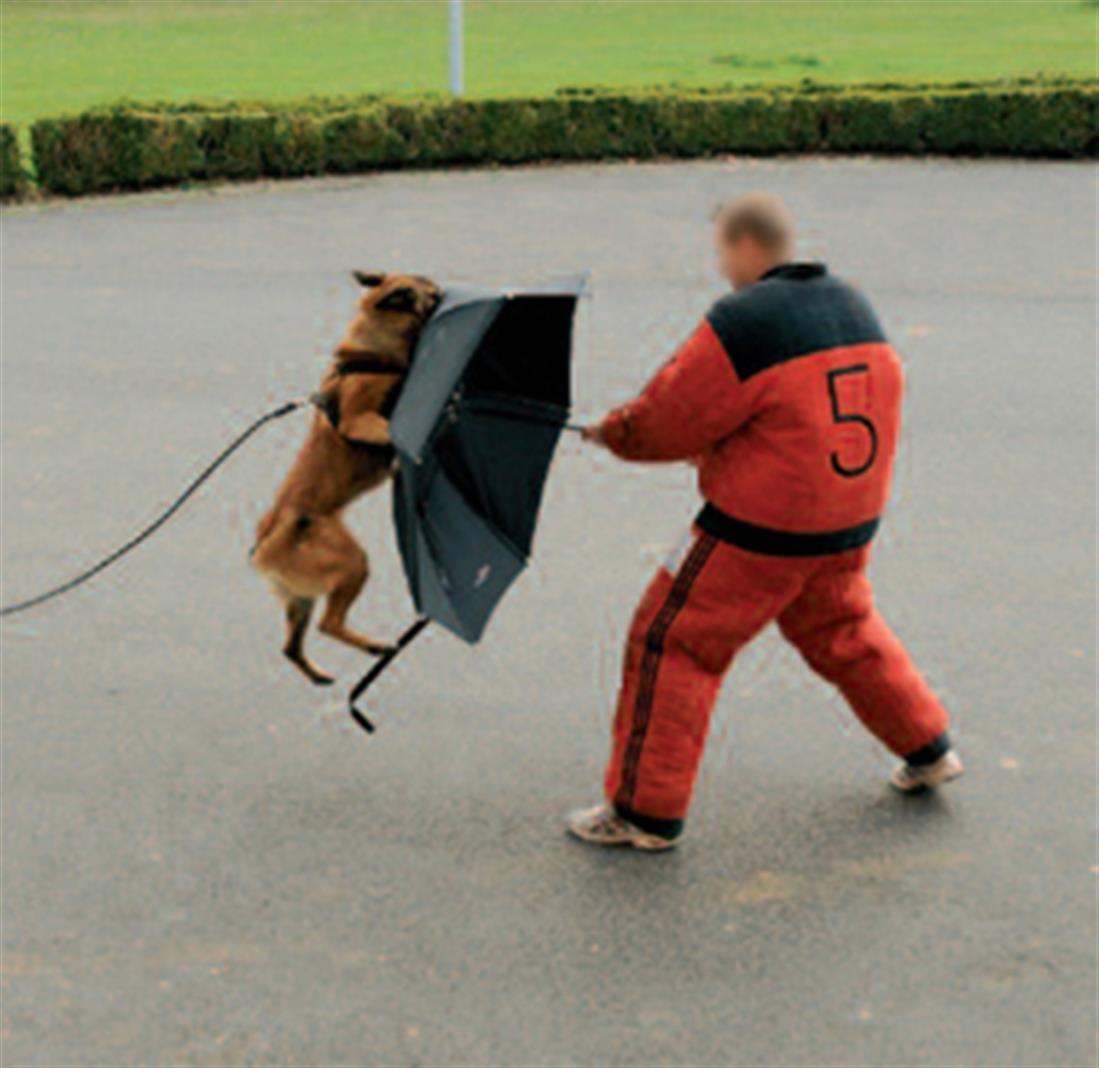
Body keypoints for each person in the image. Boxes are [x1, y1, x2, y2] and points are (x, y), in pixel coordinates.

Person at [568, 192, 962, 852]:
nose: (722, 266)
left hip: (760, 528)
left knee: (672, 640)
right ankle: (928, 747)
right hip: (845, 519)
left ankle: (642, 813)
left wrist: (615, 433)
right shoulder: (852, 303)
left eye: (722, 250)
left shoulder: (744, 320)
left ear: (745, 246)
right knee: (843, 628)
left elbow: (671, 417)